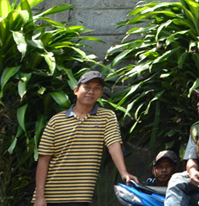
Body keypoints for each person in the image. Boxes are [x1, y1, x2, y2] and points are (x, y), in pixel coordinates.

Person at [34, 69, 138, 206]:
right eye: (87, 87)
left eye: (96, 89)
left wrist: (124, 173)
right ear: (76, 90)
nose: (91, 92)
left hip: (80, 196)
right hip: (50, 196)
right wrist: (40, 197)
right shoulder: (56, 121)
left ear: (101, 93)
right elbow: (43, 160)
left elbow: (113, 144)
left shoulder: (107, 117)